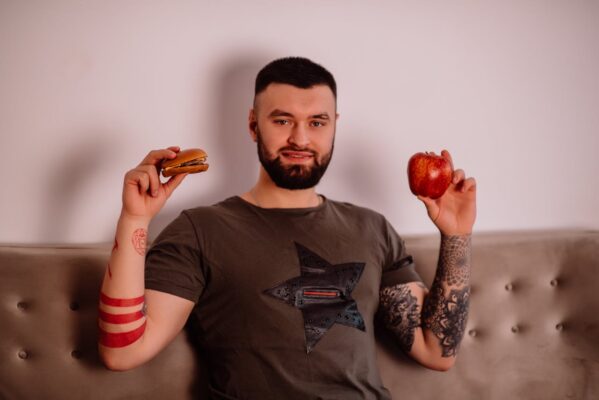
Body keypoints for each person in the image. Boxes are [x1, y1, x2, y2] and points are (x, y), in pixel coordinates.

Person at [98, 56, 477, 399]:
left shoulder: (372, 228)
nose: (300, 138)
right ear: (253, 125)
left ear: (334, 126)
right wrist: (135, 218)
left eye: (317, 122)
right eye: (282, 121)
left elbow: (437, 351)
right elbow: (122, 351)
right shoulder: (200, 230)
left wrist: (456, 236)